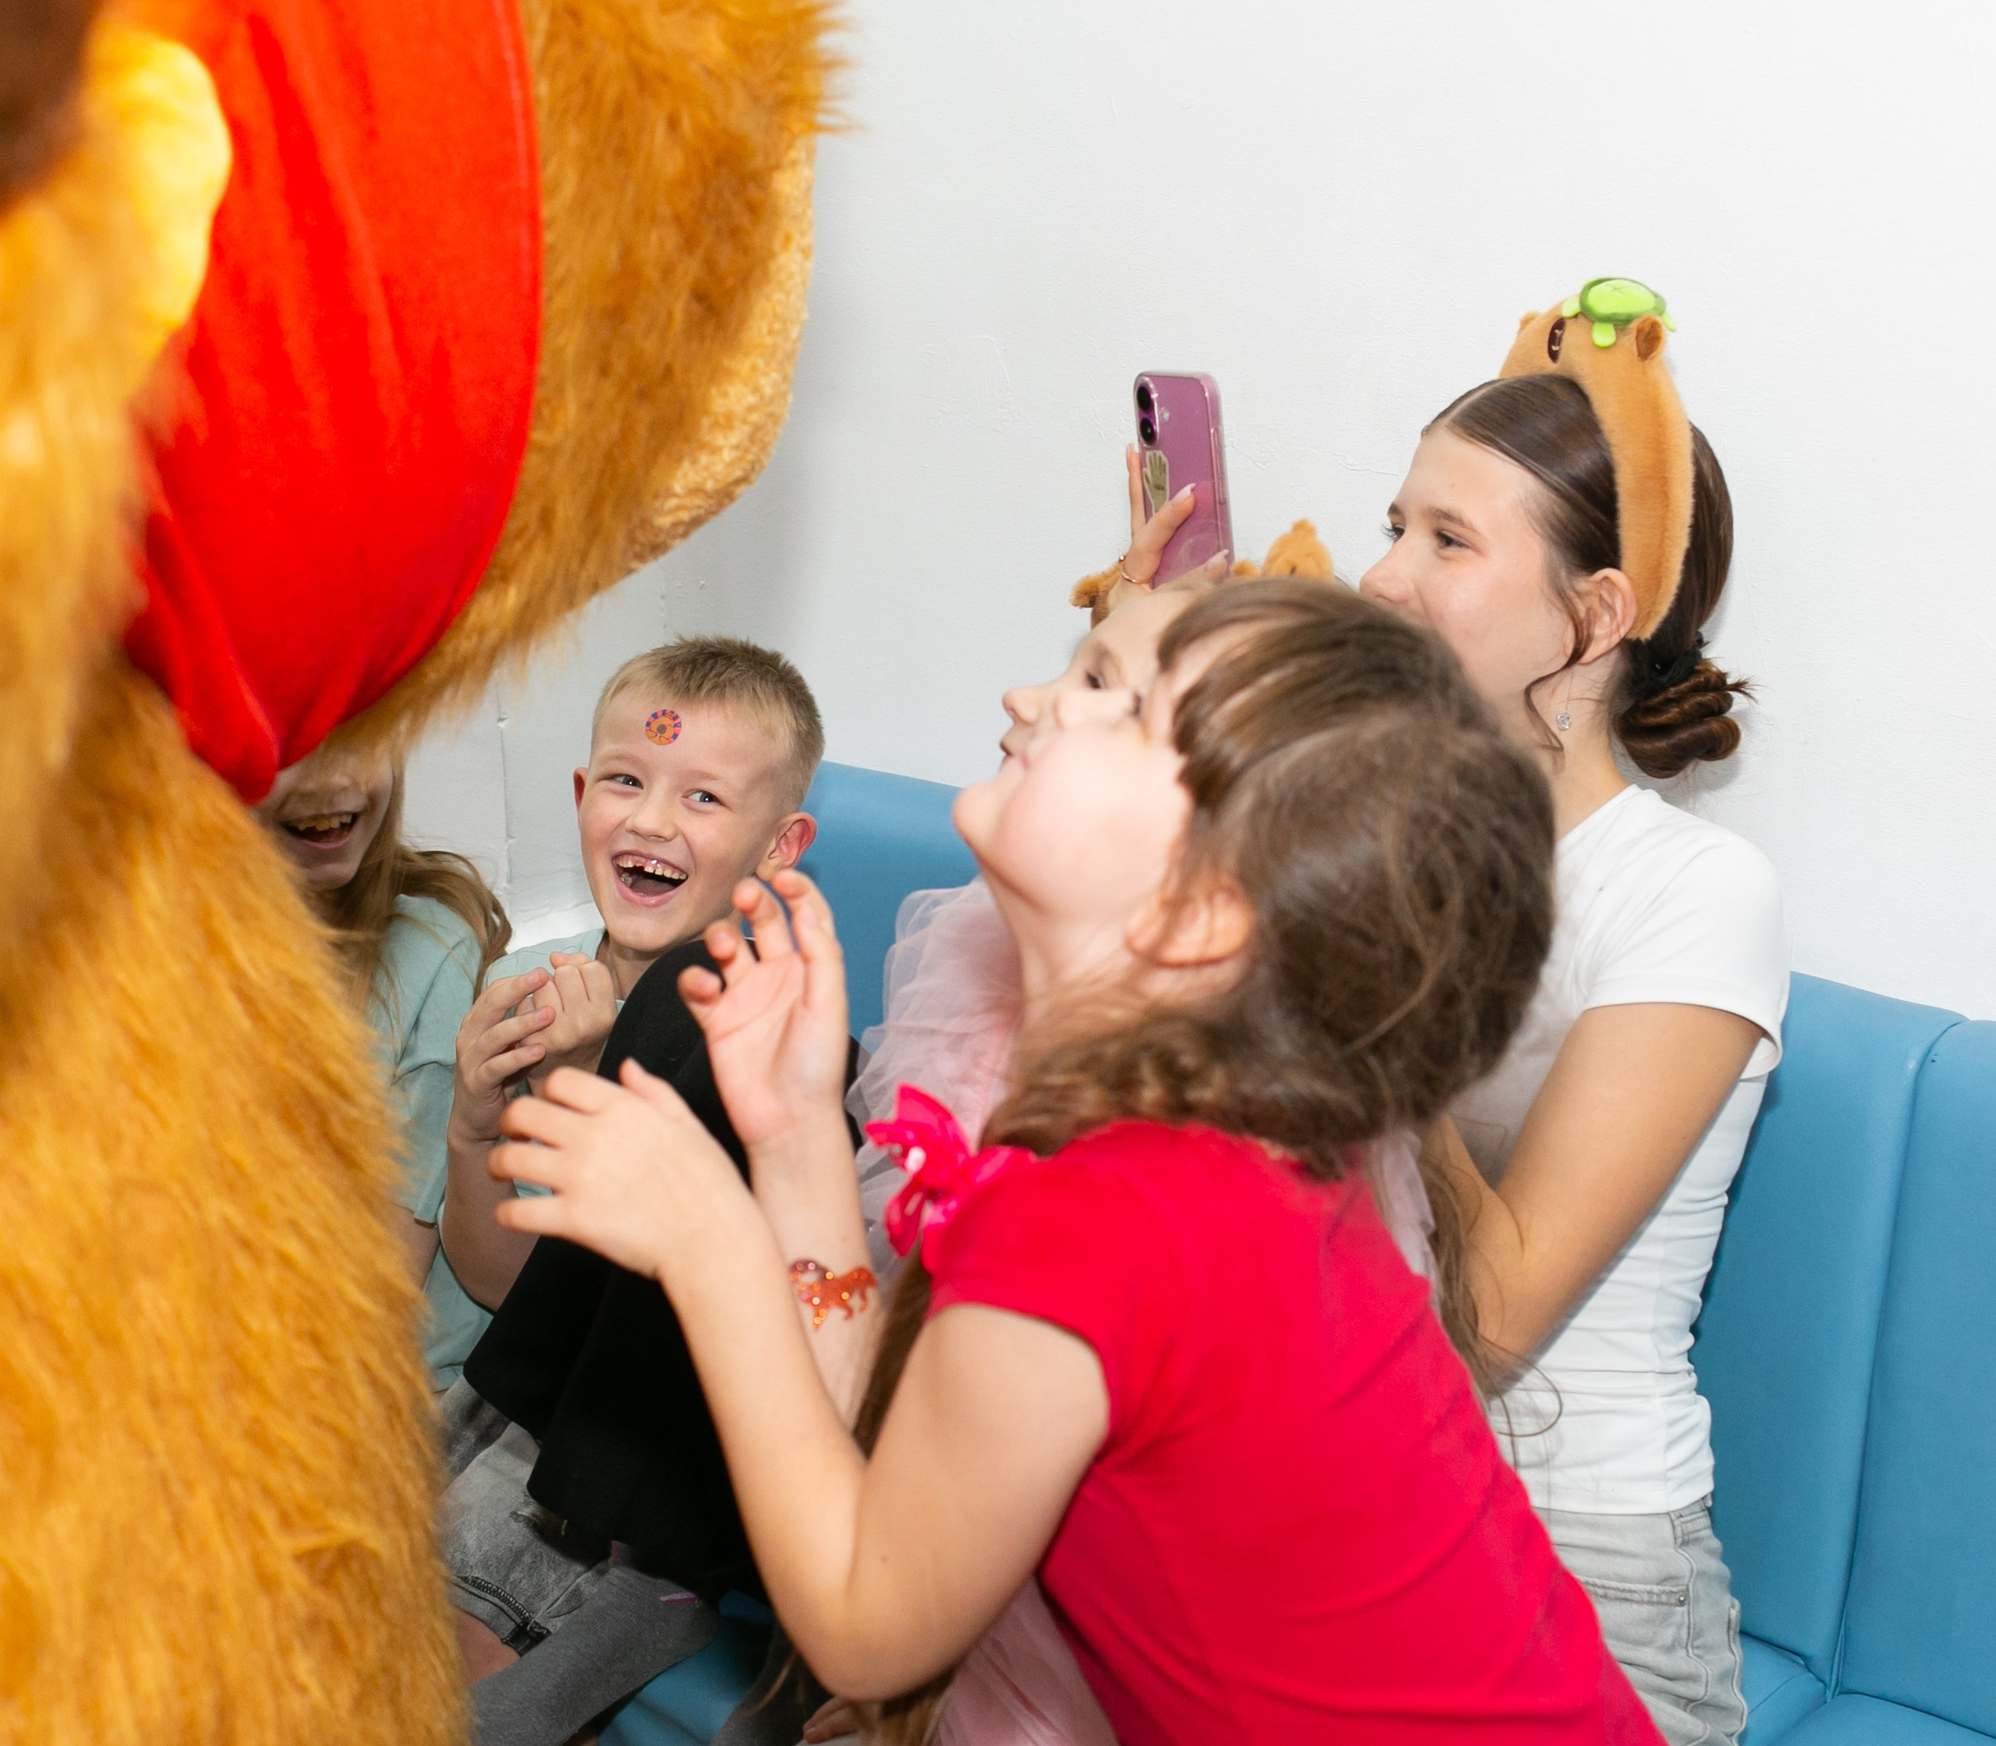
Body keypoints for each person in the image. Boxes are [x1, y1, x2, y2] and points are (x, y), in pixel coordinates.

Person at [486, 581, 1661, 1742]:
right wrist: (792, 1138)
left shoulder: (1112, 1217)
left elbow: (864, 1621)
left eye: (1104, 691)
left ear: (1203, 912)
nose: (1028, 697)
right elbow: (913, 1467)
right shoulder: (1216, 1153)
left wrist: (712, 1245)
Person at [1121, 285, 1786, 1744]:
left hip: (1580, 1560)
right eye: (1395, 521)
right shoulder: (1385, 832)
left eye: (1447, 540)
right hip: (1347, 1506)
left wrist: (1362, 970)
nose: (1380, 573)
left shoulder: (1694, 891)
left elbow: (1488, 1321)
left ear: (1594, 614)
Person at [432, 637, 833, 1742]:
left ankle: (610, 1585)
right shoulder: (540, 989)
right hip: (518, 1413)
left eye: (703, 797)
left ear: (780, 844)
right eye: (627, 780)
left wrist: (607, 1089)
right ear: (581, 795)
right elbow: (503, 1288)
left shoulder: (755, 1013)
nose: (653, 821)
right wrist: (482, 1121)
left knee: (701, 1007)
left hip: (657, 1461)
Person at [251, 723, 510, 1340]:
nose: (334, 779)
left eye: (361, 734)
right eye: (290, 746)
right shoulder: (149, 965)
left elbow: (379, 1293)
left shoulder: (427, 953)